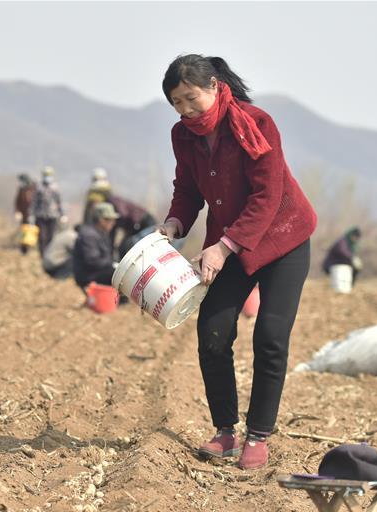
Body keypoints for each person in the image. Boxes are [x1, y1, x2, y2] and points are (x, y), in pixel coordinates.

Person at [159, 54, 317, 470]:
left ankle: (259, 435)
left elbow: (268, 196)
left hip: (282, 239)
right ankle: (226, 431)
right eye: (177, 103)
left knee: (269, 335)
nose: (186, 110)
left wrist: (223, 246)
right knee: (212, 330)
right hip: (230, 243)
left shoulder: (255, 123)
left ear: (213, 86)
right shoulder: (184, 136)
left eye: (191, 98)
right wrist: (176, 221)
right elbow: (188, 188)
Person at [74, 202, 119, 289]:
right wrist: (112, 264)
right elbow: (92, 261)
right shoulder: (89, 235)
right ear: (101, 220)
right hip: (88, 276)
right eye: (111, 220)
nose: (113, 223)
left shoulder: (100, 233)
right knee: (117, 275)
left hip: (96, 272)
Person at [30, 166, 65, 256]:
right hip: (41, 215)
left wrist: (63, 214)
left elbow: (59, 202)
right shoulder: (39, 187)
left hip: (53, 215)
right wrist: (31, 214)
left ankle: (49, 254)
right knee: (42, 237)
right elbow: (34, 202)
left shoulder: (55, 187)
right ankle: (42, 254)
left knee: (51, 237)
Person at [14, 174, 37, 255]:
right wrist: (17, 212)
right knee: (24, 231)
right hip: (24, 214)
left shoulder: (35, 188)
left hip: (35, 214)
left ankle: (34, 248)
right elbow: (17, 202)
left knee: (34, 231)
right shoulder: (21, 190)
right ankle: (24, 250)